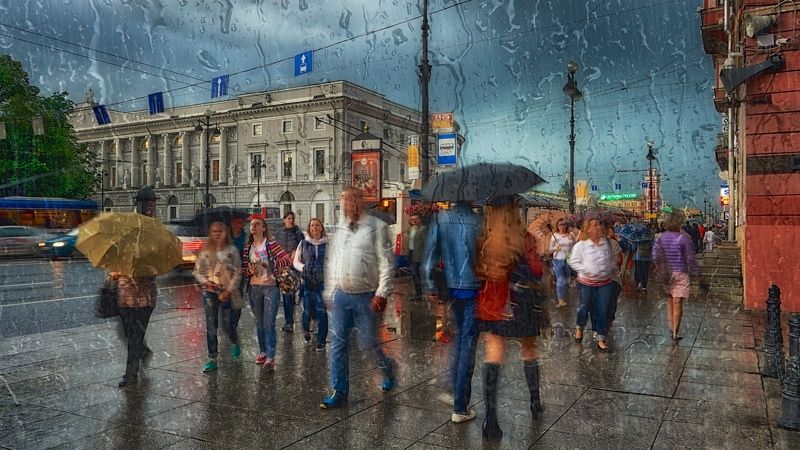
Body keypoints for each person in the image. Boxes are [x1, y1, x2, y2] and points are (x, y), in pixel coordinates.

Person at [475, 197, 546, 440]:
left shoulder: (484, 239)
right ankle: (535, 401)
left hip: (494, 303)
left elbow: (476, 271)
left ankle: (490, 419)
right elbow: (537, 271)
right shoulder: (525, 238)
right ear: (515, 212)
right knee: (528, 349)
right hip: (521, 302)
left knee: (493, 354)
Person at [320, 187, 396, 409]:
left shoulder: (377, 228)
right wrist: (329, 292)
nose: (345, 204)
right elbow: (333, 262)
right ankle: (339, 390)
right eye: (342, 200)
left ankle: (387, 368)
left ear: (360, 202)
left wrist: (382, 293)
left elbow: (387, 263)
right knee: (337, 344)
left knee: (368, 343)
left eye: (350, 199)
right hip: (342, 295)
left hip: (367, 296)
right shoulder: (341, 229)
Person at [421, 201, 482, 424]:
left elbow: (429, 258)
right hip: (474, 289)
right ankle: (460, 406)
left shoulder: (441, 218)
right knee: (468, 344)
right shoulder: (478, 221)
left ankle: (453, 387)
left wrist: (429, 286)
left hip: (452, 288)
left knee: (459, 338)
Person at [115, 194, 157, 387]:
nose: (151, 206)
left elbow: (155, 269)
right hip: (124, 295)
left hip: (144, 298)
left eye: (153, 203)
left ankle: (130, 374)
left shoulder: (154, 235)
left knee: (134, 336)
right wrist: (114, 273)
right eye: (148, 203)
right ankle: (143, 352)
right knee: (126, 332)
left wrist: (139, 271)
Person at [193, 221, 243, 373]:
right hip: (210, 291)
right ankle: (212, 357)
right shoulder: (206, 251)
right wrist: (205, 281)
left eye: (220, 231)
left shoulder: (232, 251)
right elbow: (197, 272)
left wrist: (229, 290)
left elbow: (237, 272)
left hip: (226, 291)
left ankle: (234, 341)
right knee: (211, 325)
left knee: (228, 324)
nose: (217, 234)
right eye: (214, 231)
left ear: (225, 233)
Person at [242, 218, 292, 368]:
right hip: (254, 288)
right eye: (251, 225)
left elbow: (286, 260)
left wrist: (271, 264)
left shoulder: (270, 244)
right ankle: (263, 352)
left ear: (264, 228)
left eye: (257, 224)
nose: (253, 227)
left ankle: (271, 356)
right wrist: (248, 270)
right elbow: (244, 269)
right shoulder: (248, 248)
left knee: (269, 322)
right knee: (259, 322)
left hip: (271, 287)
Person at [568, 218, 620, 352]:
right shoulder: (581, 245)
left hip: (605, 282)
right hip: (586, 283)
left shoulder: (606, 244)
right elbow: (573, 261)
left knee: (604, 309)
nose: (598, 228)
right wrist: (586, 270)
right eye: (595, 225)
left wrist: (610, 268)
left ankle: (601, 337)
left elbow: (611, 260)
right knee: (584, 308)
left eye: (599, 225)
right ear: (588, 229)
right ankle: (580, 327)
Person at [653, 212, 700, 340]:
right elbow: (691, 258)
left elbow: (655, 256)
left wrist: (658, 268)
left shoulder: (660, 237)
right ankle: (675, 331)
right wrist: (697, 273)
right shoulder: (684, 238)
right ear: (679, 223)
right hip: (680, 272)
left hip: (667, 273)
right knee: (678, 302)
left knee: (669, 300)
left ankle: (671, 325)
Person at [293, 218, 328, 351]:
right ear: (309, 228)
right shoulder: (303, 243)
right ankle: (306, 329)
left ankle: (321, 340)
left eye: (317, 225)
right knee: (307, 310)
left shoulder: (327, 244)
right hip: (307, 281)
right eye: (312, 225)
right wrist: (303, 268)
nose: (315, 227)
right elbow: (296, 261)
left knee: (321, 311)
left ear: (321, 227)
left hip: (322, 282)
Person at [274, 211, 305, 333]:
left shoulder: (298, 232)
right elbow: (275, 247)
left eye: (292, 218)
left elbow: (303, 246)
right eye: (288, 218)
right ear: (284, 220)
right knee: (287, 294)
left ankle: (291, 320)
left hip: (293, 266)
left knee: (290, 294)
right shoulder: (279, 232)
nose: (291, 220)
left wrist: (295, 253)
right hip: (283, 267)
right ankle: (289, 322)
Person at [549, 219, 574, 308]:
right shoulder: (554, 235)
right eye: (560, 225)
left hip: (568, 260)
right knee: (560, 280)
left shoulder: (570, 235)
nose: (562, 227)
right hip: (557, 260)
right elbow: (550, 249)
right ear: (557, 226)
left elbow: (573, 248)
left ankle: (564, 295)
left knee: (567, 280)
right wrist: (556, 248)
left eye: (564, 225)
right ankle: (561, 300)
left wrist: (572, 241)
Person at [407, 214, 428, 298]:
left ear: (420, 220)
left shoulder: (423, 229)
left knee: (417, 275)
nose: (413, 221)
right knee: (414, 275)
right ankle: (418, 293)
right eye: (412, 219)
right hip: (411, 253)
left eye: (415, 219)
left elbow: (426, 243)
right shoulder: (410, 229)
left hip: (419, 255)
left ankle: (420, 293)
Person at [632, 227, 654, 292]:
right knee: (646, 272)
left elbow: (633, 248)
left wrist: (633, 252)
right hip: (648, 257)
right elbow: (653, 247)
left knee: (639, 271)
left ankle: (639, 283)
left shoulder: (638, 237)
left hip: (639, 257)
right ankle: (644, 286)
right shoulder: (650, 238)